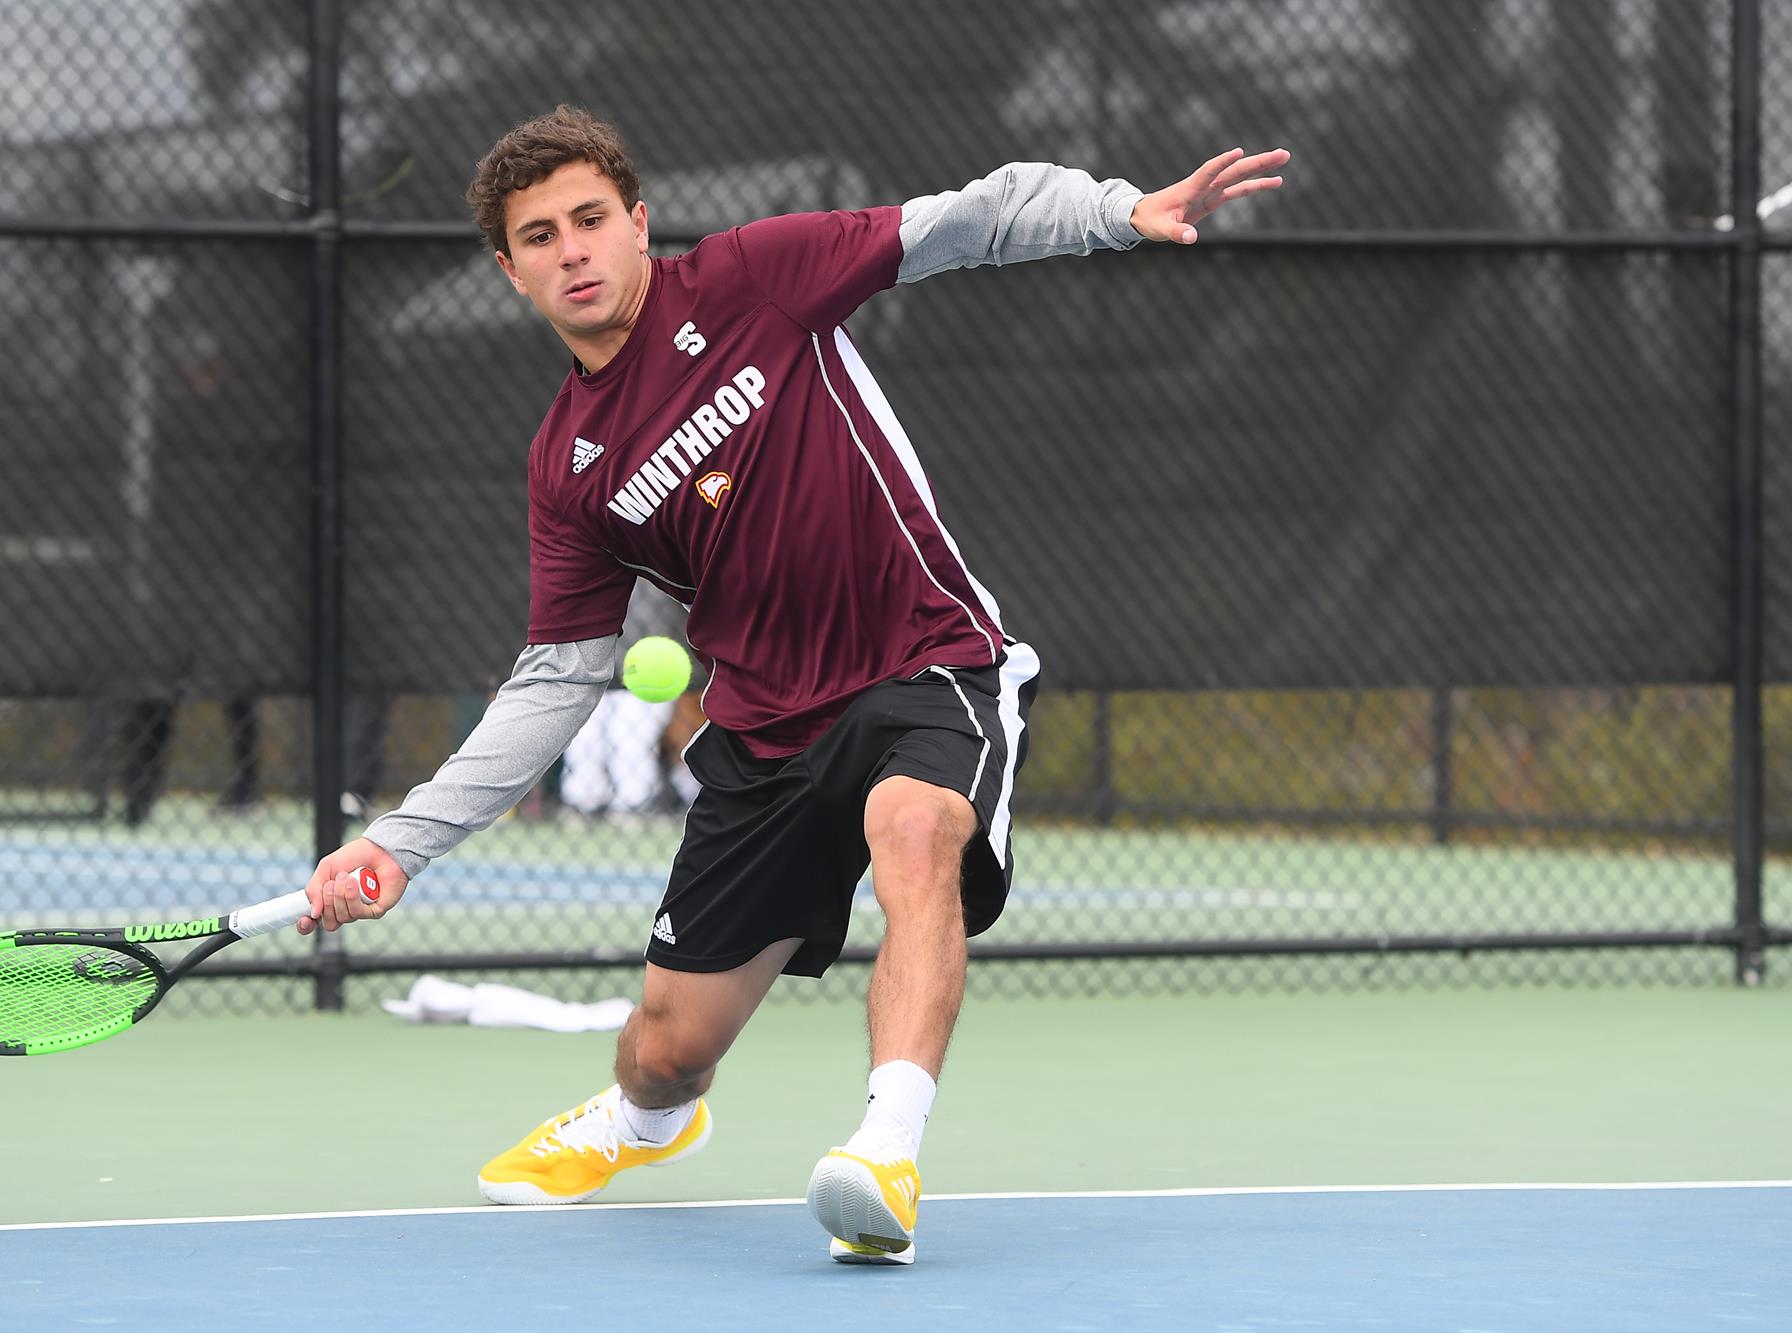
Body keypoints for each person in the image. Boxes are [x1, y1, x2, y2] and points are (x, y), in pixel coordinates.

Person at [298, 106, 1288, 1264]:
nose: (570, 249)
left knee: (912, 828)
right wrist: (401, 842)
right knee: (666, 1048)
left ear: (637, 225)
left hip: (922, 655)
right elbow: (555, 679)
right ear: (509, 272)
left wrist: (1120, 211)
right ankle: (640, 1124)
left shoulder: (750, 281)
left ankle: (885, 1150)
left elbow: (966, 218)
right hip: (764, 732)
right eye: (537, 237)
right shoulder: (567, 468)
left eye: (588, 219)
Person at [560, 579, 703, 818]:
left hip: (650, 672)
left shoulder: (663, 572)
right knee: (585, 734)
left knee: (630, 731)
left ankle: (636, 803)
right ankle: (583, 804)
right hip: (595, 671)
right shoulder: (591, 571)